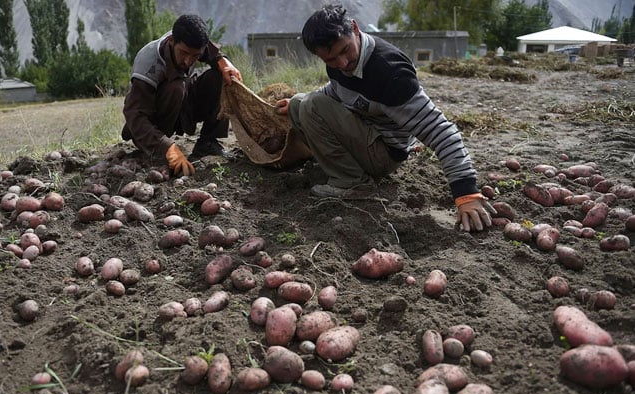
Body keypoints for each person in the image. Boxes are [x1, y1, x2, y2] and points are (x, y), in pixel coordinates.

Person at [275, 4, 495, 232]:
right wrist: (295, 103)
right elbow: (337, 90)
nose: (341, 63)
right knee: (301, 102)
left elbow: (440, 130)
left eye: (345, 51)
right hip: (366, 132)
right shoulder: (341, 64)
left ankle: (352, 183)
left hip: (384, 152)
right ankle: (336, 165)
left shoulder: (391, 73)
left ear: (355, 29)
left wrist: (466, 193)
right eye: (330, 60)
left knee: (311, 105)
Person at [121, 14, 242, 176]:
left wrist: (223, 61)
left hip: (183, 106)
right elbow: (135, 115)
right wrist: (166, 147)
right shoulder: (148, 63)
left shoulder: (193, 45)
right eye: (183, 53)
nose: (188, 61)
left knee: (221, 76)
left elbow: (211, 52)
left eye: (195, 56)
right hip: (153, 122)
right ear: (171, 40)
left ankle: (207, 143)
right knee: (176, 87)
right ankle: (158, 148)